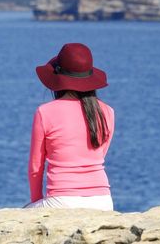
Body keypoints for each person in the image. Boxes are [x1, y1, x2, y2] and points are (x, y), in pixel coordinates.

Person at [23, 43, 115, 211]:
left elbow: (36, 167)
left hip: (61, 202)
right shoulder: (107, 112)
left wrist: (36, 202)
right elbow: (100, 154)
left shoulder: (45, 112)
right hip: (103, 202)